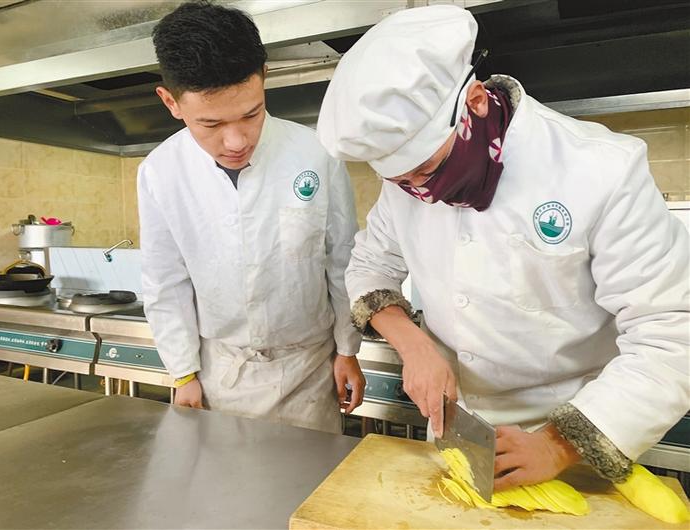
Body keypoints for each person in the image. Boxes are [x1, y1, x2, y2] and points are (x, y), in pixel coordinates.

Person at [316, 5, 689, 488]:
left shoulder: (602, 170)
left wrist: (558, 445)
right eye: (401, 181)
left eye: (426, 170)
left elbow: (670, 333)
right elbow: (370, 264)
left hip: (576, 431)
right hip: (457, 424)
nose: (419, 191)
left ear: (474, 102)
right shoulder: (408, 183)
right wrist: (412, 343)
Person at [138, 0, 364, 433]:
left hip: (310, 371)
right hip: (219, 374)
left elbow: (342, 259)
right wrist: (183, 373)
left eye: (251, 114)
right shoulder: (160, 172)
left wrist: (347, 349)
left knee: (312, 475)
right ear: (171, 102)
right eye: (210, 124)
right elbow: (165, 280)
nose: (236, 141)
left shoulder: (315, 152)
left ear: (264, 78)